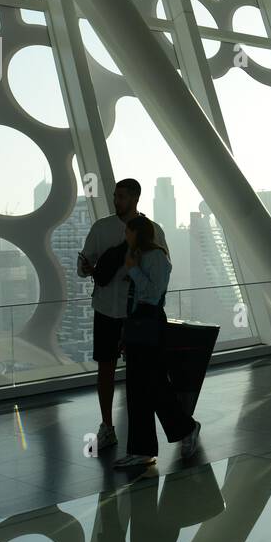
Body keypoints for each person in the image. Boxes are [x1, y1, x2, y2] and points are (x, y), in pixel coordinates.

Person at [78, 178, 167, 452]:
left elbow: (159, 268)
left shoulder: (149, 230)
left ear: (135, 198)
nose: (117, 201)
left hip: (132, 311)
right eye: (116, 196)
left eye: (123, 197)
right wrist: (87, 267)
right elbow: (83, 267)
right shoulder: (103, 227)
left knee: (139, 371)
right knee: (107, 367)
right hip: (109, 309)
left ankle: (132, 432)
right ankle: (110, 427)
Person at [113, 215, 198, 469]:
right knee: (137, 389)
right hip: (139, 325)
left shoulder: (156, 258)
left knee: (155, 385)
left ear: (137, 233)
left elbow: (153, 294)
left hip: (150, 325)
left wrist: (133, 269)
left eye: (128, 232)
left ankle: (186, 428)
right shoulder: (138, 257)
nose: (125, 236)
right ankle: (142, 450)